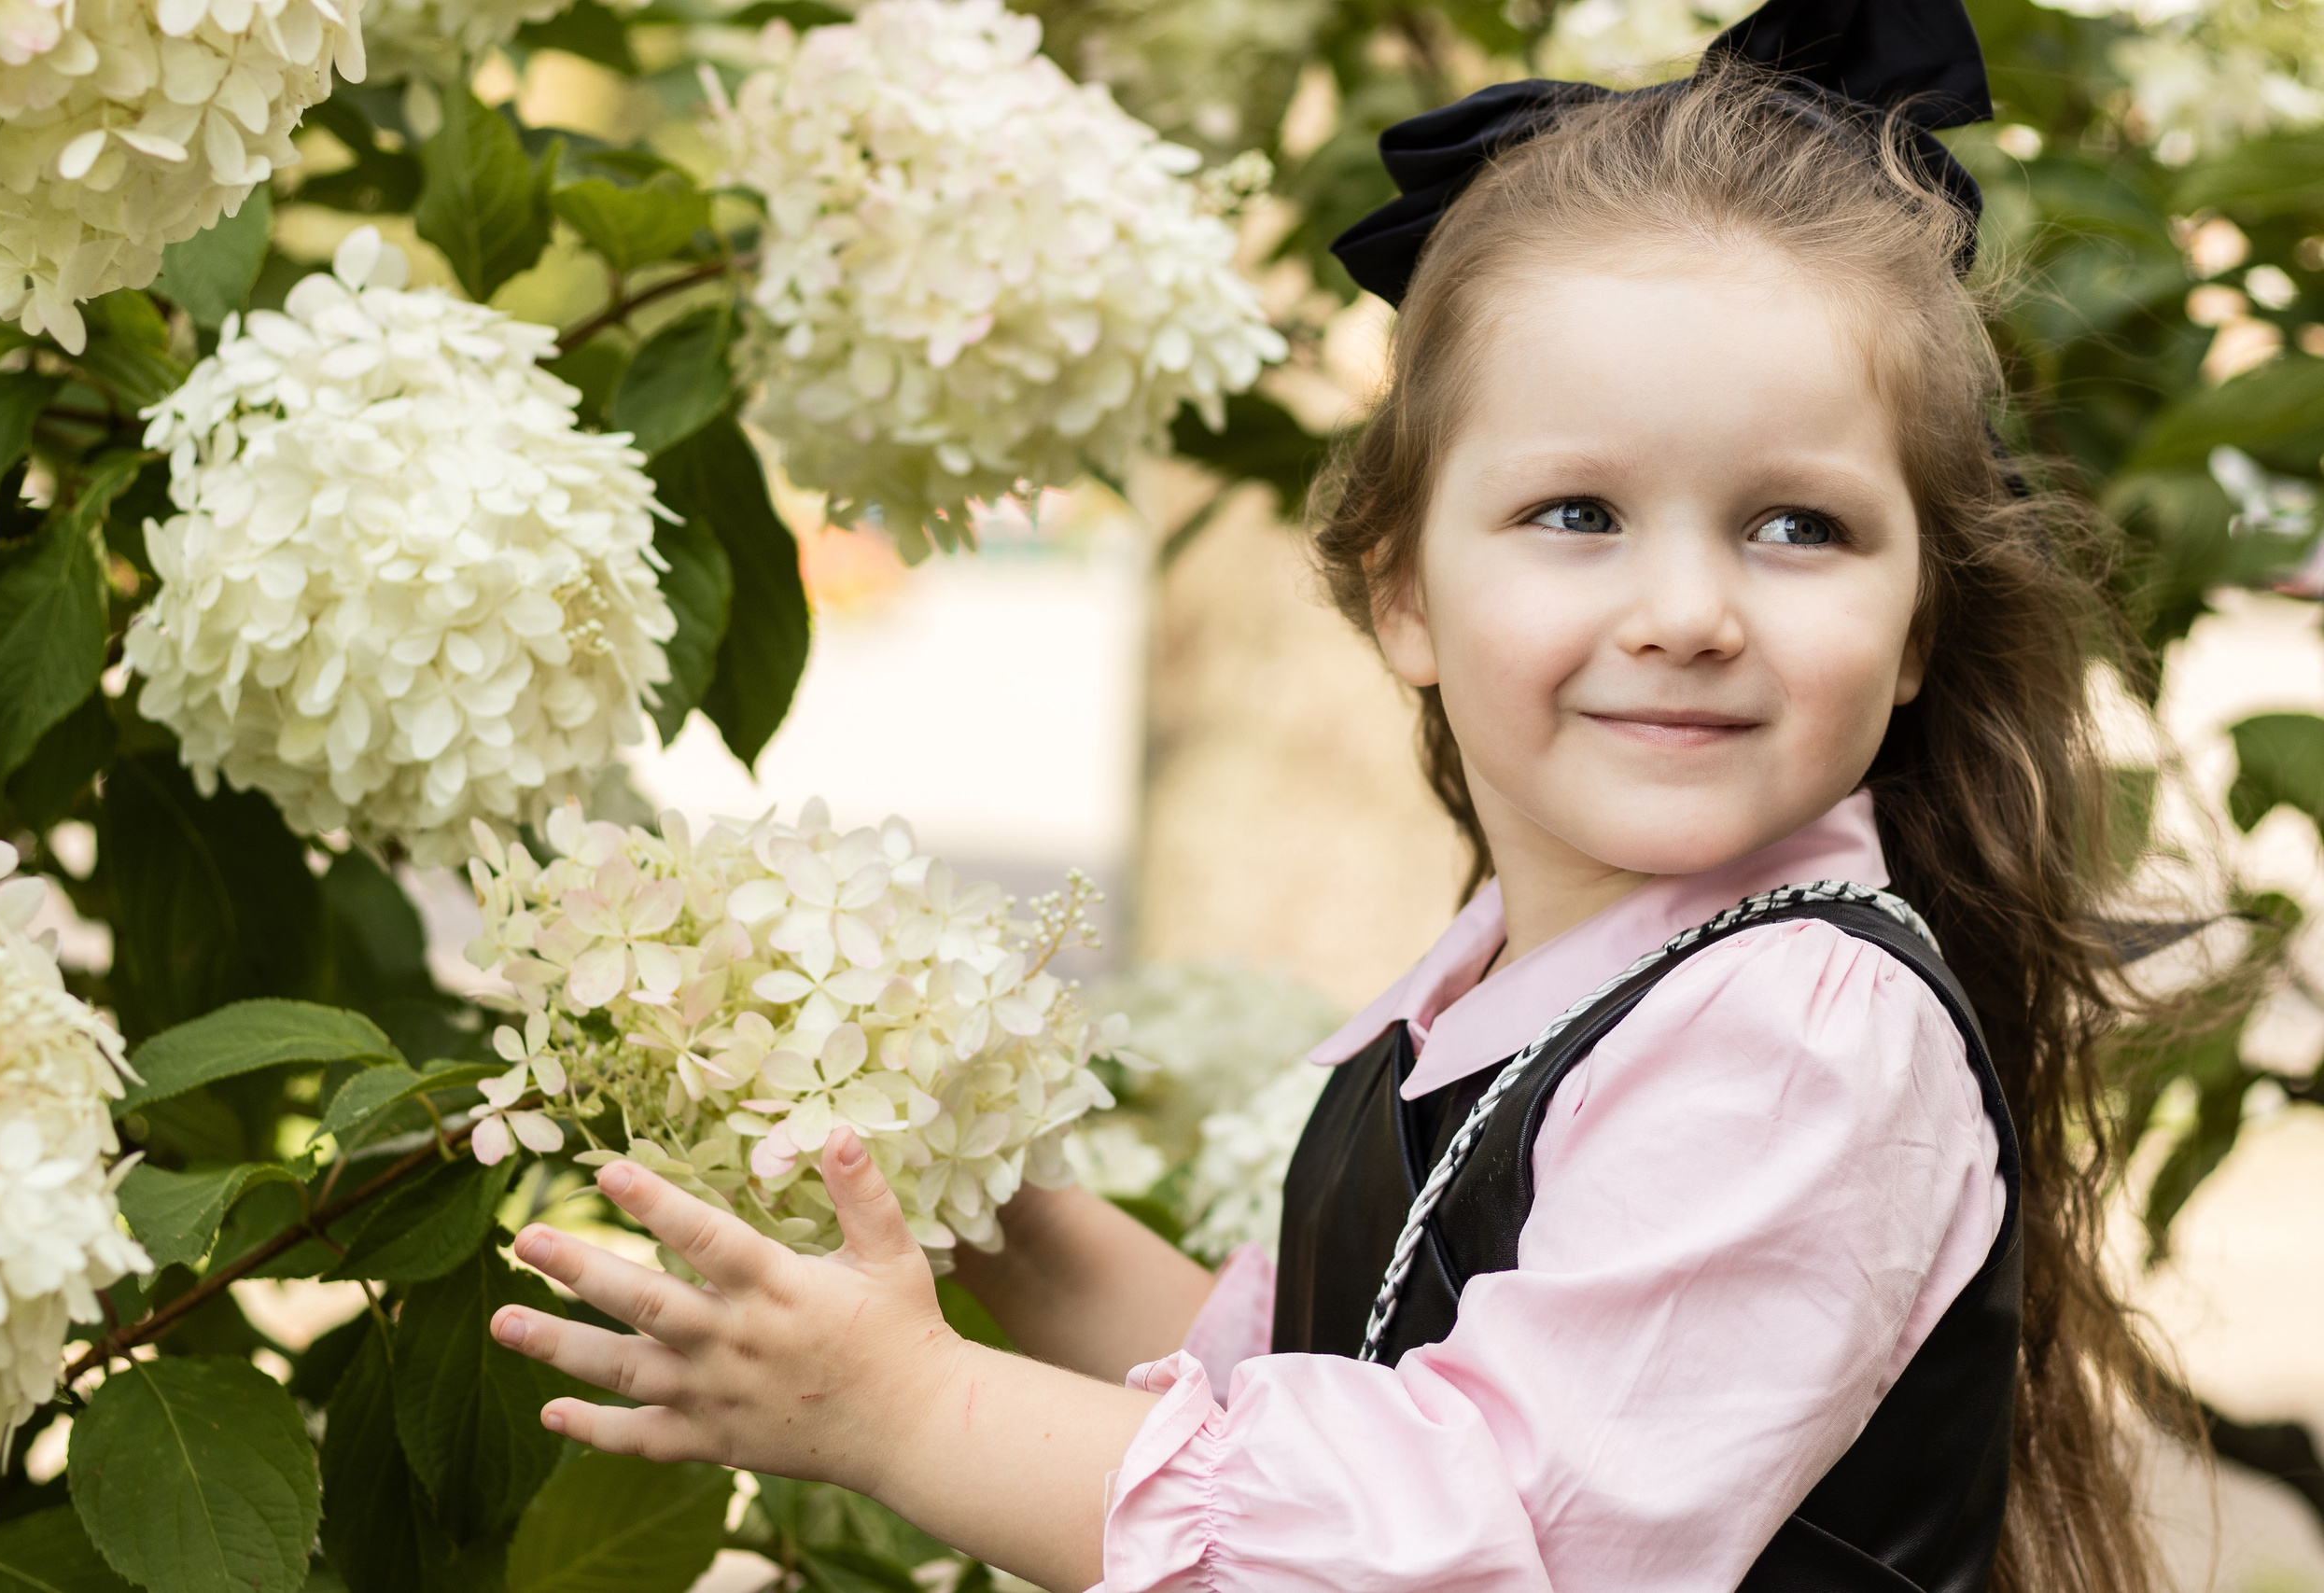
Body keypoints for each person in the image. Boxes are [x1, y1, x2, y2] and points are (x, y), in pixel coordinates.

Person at [484, 2, 2171, 1587]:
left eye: (1797, 526)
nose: (1687, 612)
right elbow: (1290, 1389)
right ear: (1402, 590)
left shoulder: (1798, 1033)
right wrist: (967, 1192)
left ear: (1916, 623)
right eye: (1578, 512)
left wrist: (913, 1414)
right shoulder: (1505, 992)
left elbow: (1465, 1528)